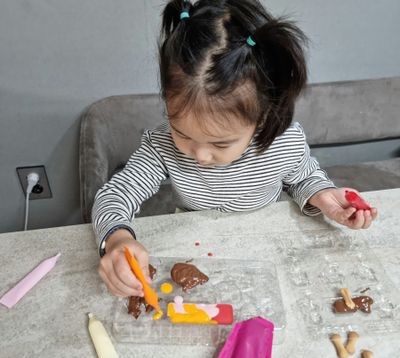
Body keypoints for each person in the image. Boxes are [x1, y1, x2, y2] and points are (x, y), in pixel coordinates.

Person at [92, 0, 378, 297]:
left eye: (220, 143)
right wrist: (117, 239)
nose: (200, 155)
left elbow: (303, 178)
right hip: (195, 249)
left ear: (263, 117)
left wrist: (322, 195)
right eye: (182, 133)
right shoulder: (161, 146)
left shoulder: (283, 143)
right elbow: (114, 195)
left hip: (267, 246)